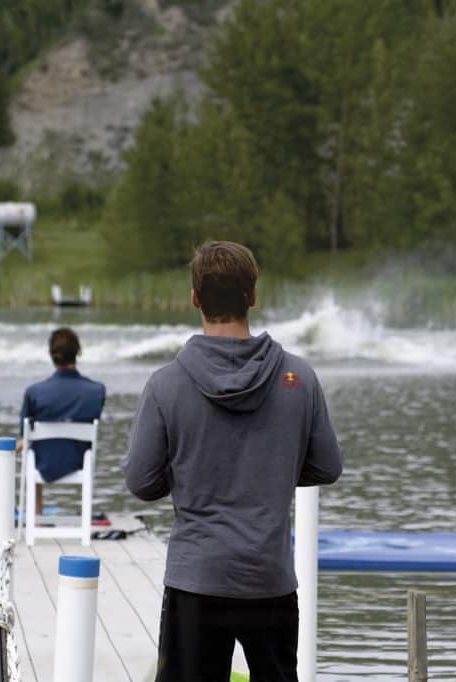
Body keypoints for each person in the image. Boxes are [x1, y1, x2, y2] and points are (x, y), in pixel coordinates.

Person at [123, 240, 343, 682]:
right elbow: (327, 467)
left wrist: (188, 467)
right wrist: (273, 468)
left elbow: (141, 481)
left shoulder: (166, 384)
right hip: (270, 579)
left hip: (196, 578)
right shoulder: (299, 379)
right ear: (253, 296)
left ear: (195, 298)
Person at [19, 327, 105, 512]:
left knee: (31, 448)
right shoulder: (97, 391)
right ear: (78, 353)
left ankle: (36, 515)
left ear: (52, 355)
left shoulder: (34, 393)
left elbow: (23, 434)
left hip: (44, 463)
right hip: (79, 460)